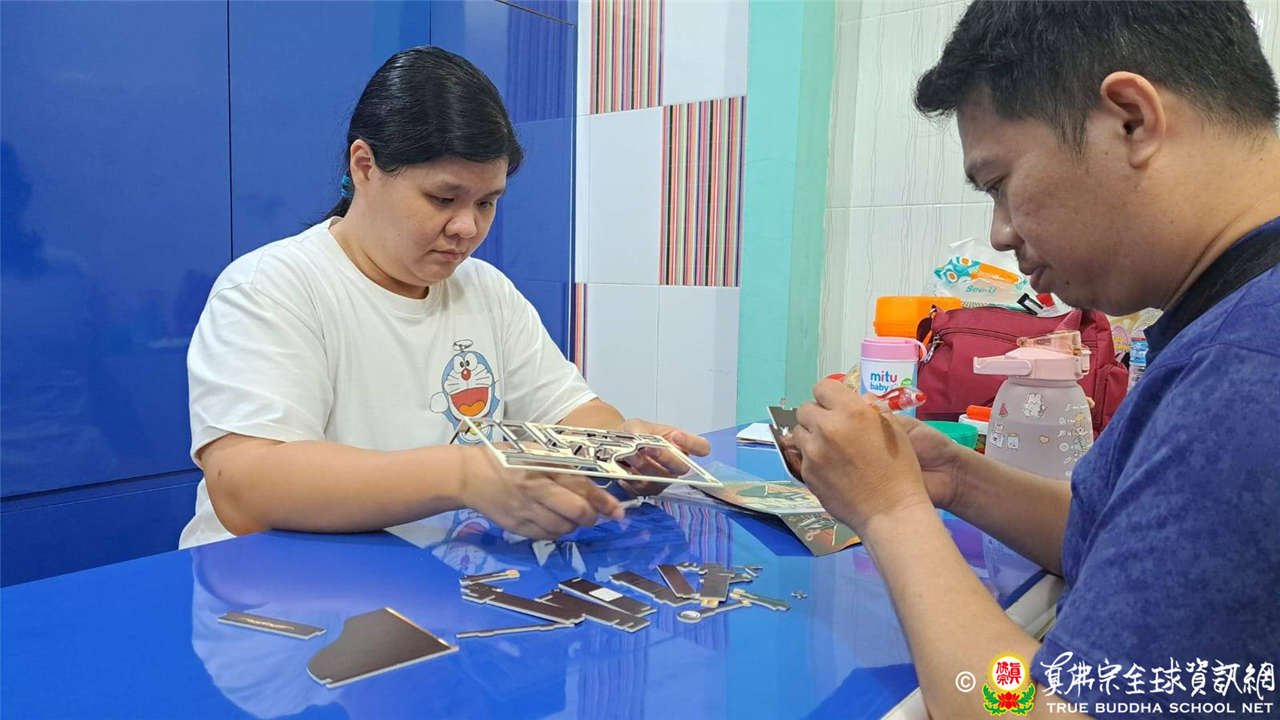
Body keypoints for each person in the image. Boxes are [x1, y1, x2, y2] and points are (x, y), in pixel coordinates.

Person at [791, 3, 1280, 718]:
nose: (999, 234)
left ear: (1132, 120)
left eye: (999, 183)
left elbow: (1030, 709)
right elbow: (1124, 537)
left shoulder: (1247, 369)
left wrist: (889, 510)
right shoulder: (1234, 316)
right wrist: (954, 478)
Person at [181, 46, 707, 549]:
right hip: (277, 590)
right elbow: (245, 486)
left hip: (426, 577)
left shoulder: (486, 290)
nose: (467, 227)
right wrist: (464, 474)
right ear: (364, 167)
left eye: (486, 203)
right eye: (443, 198)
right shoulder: (272, 287)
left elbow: (570, 411)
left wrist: (621, 447)